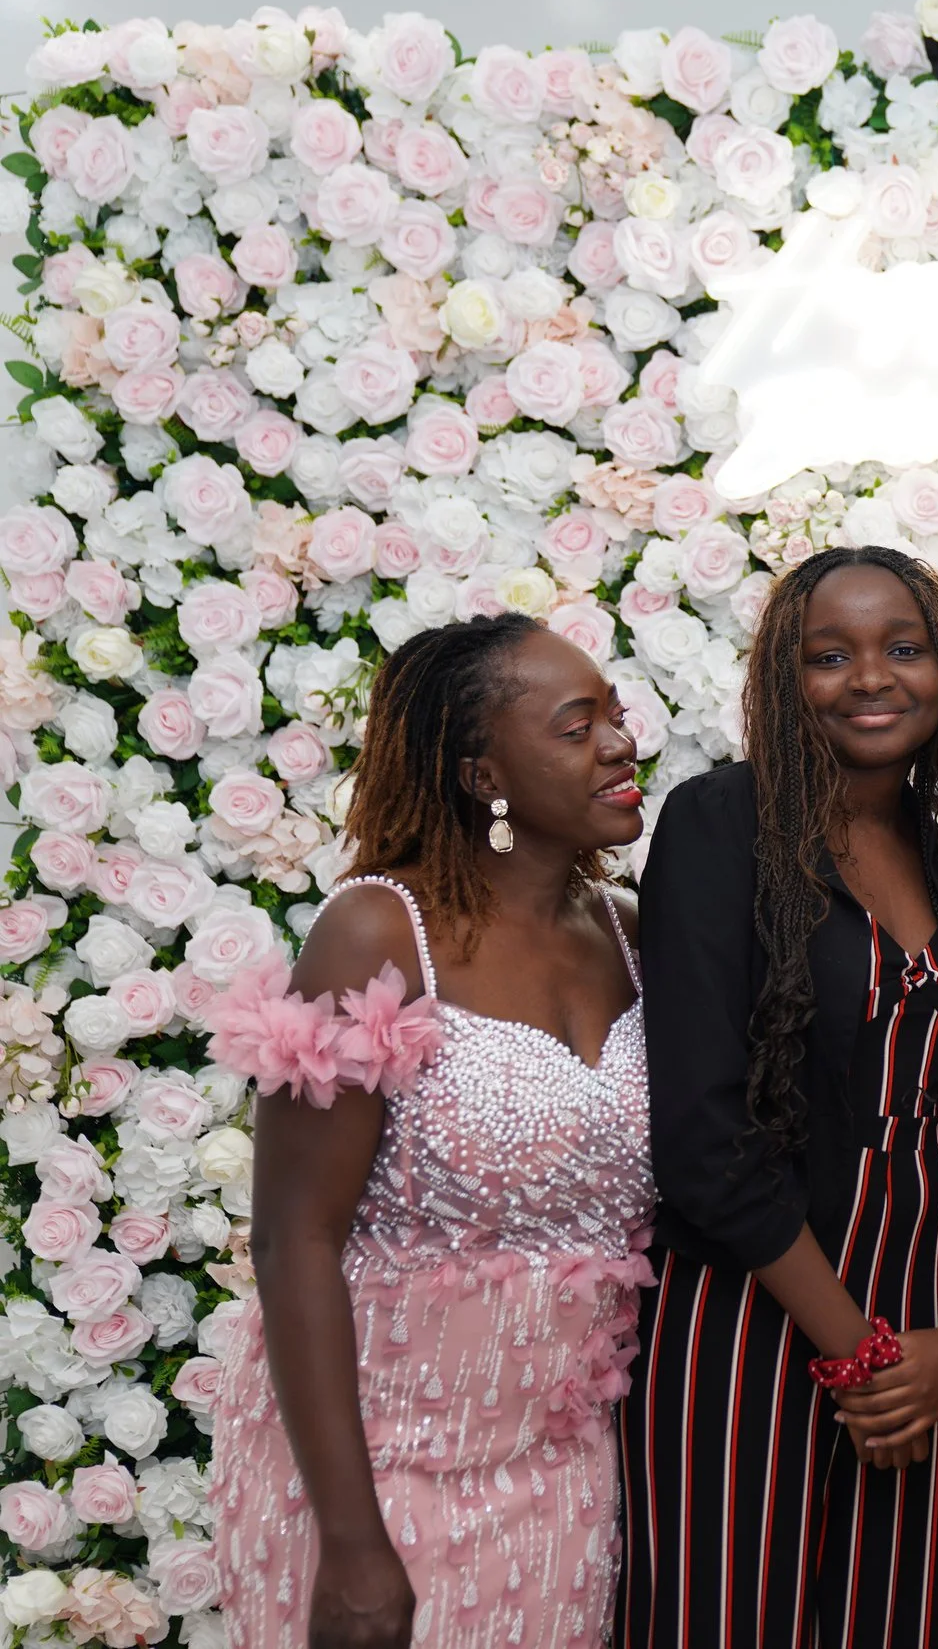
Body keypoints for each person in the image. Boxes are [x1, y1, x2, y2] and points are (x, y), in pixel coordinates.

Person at [207, 612, 653, 1649]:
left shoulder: (633, 934)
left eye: (616, 717)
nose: (620, 743)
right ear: (478, 770)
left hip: (566, 1477)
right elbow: (293, 1237)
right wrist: (355, 1545)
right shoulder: (376, 929)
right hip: (370, 1473)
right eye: (577, 725)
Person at [617, 547, 938, 1649]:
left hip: (916, 1344)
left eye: (903, 648)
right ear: (781, 680)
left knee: (880, 1624)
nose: (871, 677)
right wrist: (857, 1355)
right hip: (750, 1315)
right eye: (829, 655)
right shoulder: (721, 823)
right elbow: (702, 1135)